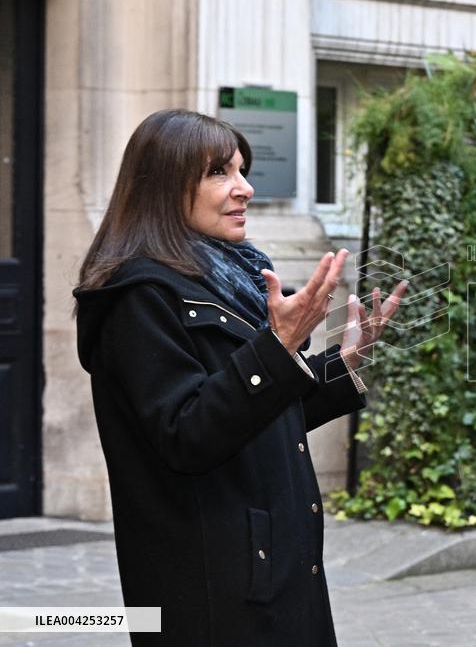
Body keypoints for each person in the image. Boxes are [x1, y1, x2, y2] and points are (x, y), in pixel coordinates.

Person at [73, 109, 406, 646]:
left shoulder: (232, 277)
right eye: (218, 173)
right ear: (163, 185)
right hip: (214, 587)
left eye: (242, 170)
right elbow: (187, 434)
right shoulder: (138, 297)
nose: (244, 188)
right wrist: (279, 345)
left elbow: (260, 411)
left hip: (272, 568)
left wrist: (343, 363)